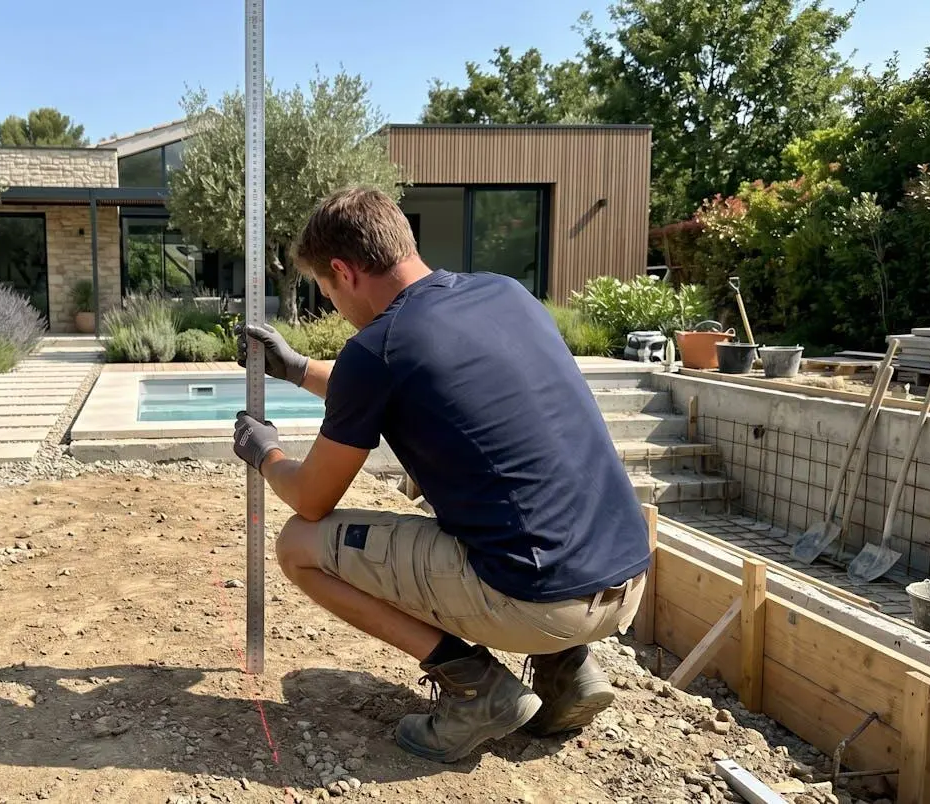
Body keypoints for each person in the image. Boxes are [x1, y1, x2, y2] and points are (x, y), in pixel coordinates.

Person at [229, 186, 652, 764]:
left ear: (343, 272)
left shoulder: (377, 349)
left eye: (328, 293)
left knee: (298, 546)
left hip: (540, 604)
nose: (336, 307)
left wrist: (266, 453)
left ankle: (477, 691)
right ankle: (568, 673)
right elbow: (402, 384)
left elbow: (310, 499)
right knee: (510, 500)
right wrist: (301, 370)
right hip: (624, 580)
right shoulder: (505, 294)